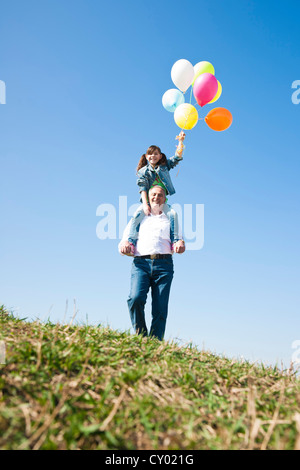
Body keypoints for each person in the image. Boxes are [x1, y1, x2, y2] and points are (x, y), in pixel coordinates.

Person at [119, 184, 185, 341]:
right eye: (153, 194)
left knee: (160, 308)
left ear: (165, 198)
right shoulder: (139, 217)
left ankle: (154, 342)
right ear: (148, 197)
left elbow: (179, 239)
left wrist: (180, 245)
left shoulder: (170, 218)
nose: (156, 197)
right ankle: (141, 336)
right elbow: (125, 240)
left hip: (164, 265)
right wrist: (123, 246)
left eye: (160, 195)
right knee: (135, 299)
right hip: (141, 264)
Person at [127, 131, 186, 251]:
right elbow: (142, 188)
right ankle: (131, 241)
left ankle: (174, 241)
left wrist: (180, 141)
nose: (152, 156)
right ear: (146, 156)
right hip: (149, 201)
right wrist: (145, 204)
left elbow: (177, 158)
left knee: (173, 214)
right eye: (150, 154)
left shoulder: (164, 167)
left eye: (155, 154)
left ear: (160, 156)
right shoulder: (143, 171)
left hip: (161, 201)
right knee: (137, 216)